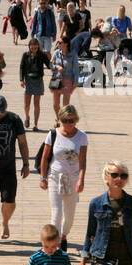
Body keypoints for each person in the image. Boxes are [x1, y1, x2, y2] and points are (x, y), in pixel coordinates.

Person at [38, 104, 87, 250]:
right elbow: (45, 158)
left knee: (69, 216)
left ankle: (63, 235)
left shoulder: (82, 137)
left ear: (76, 120)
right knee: (56, 212)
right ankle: (56, 244)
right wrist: (43, 178)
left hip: (73, 177)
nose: (68, 124)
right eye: (65, 120)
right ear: (60, 119)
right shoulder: (53, 134)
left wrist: (81, 179)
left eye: (71, 120)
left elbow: (83, 161)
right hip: (55, 176)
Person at [0, 95, 31, 242]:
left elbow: (22, 142)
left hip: (8, 166)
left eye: (0, 111)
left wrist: (26, 164)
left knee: (9, 201)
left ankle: (5, 222)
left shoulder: (14, 119)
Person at [19, 37, 49, 130]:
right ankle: (27, 117)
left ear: (38, 47)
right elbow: (21, 67)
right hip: (28, 80)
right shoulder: (25, 55)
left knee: (37, 103)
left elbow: (48, 64)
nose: (34, 50)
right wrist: (21, 79)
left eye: (35, 48)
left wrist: (55, 66)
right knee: (27, 103)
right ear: (29, 47)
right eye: (32, 48)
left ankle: (36, 124)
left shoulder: (42, 55)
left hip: (38, 79)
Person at [49, 35, 75, 116]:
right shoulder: (56, 53)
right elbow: (50, 64)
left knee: (65, 105)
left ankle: (62, 121)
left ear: (66, 44)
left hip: (68, 80)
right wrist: (56, 66)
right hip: (57, 80)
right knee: (55, 104)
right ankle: (59, 118)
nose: (58, 44)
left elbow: (76, 70)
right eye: (58, 43)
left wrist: (76, 83)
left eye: (60, 42)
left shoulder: (73, 54)